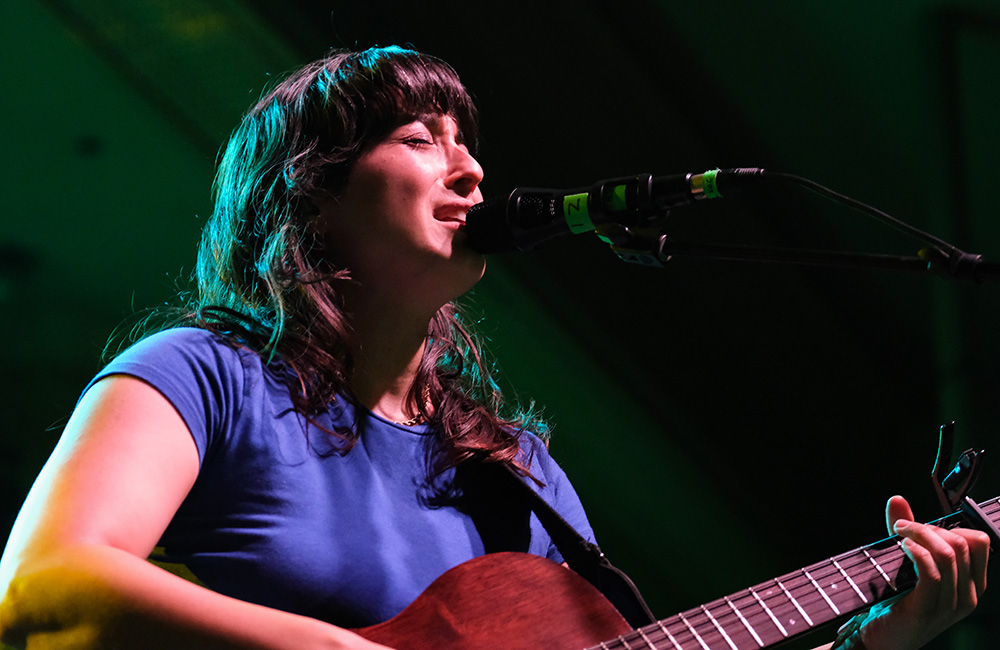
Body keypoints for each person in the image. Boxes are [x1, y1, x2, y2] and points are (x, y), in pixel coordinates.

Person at [0, 46, 988, 650]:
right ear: (313, 191)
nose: (471, 167)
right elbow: (46, 590)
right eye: (420, 138)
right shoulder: (202, 374)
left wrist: (871, 645)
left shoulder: (516, 474)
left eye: (466, 139)